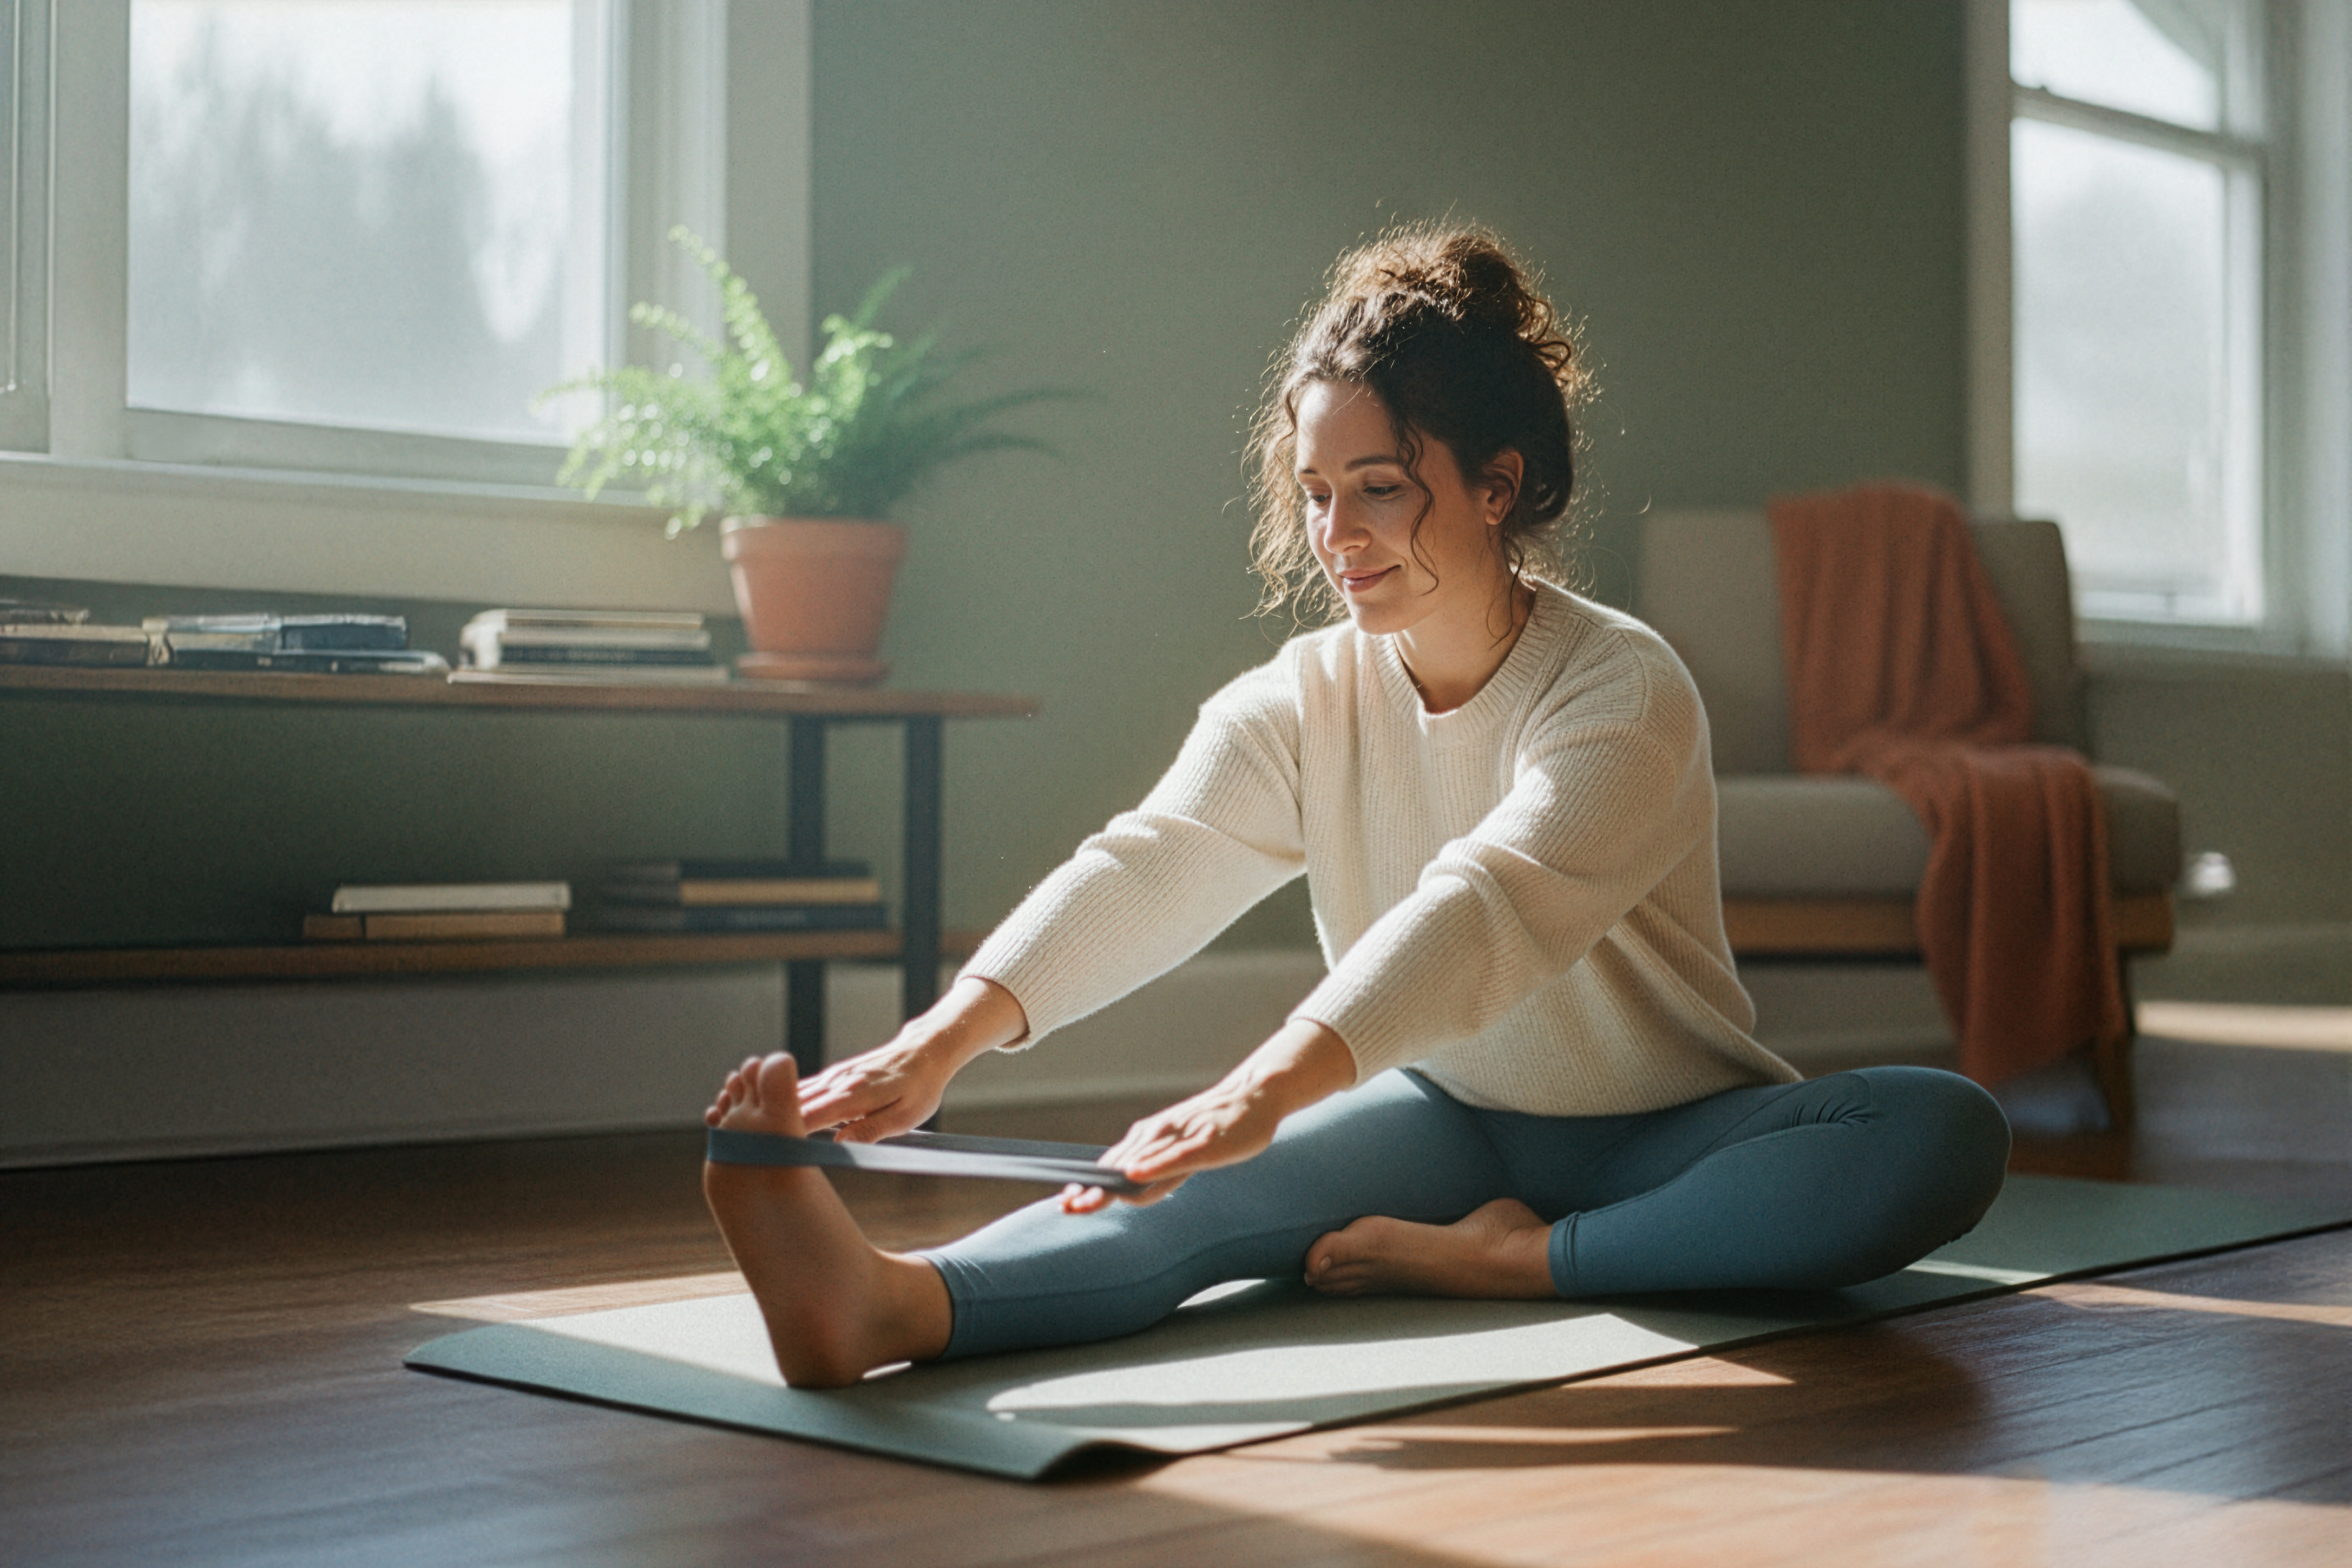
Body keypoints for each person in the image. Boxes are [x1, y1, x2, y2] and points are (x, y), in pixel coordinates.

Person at [702, 225, 2012, 1388]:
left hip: (1663, 1138)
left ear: (1496, 484)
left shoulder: (1623, 689)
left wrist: (1265, 1086)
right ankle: (885, 1303)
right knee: (1173, 1195)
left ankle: (1521, 1262)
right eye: (1320, 496)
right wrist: (940, 1044)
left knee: (1939, 1133)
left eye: (1380, 486)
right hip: (1435, 1115)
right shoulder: (1304, 694)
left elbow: (1491, 904)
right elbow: (1155, 862)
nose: (1339, 535)